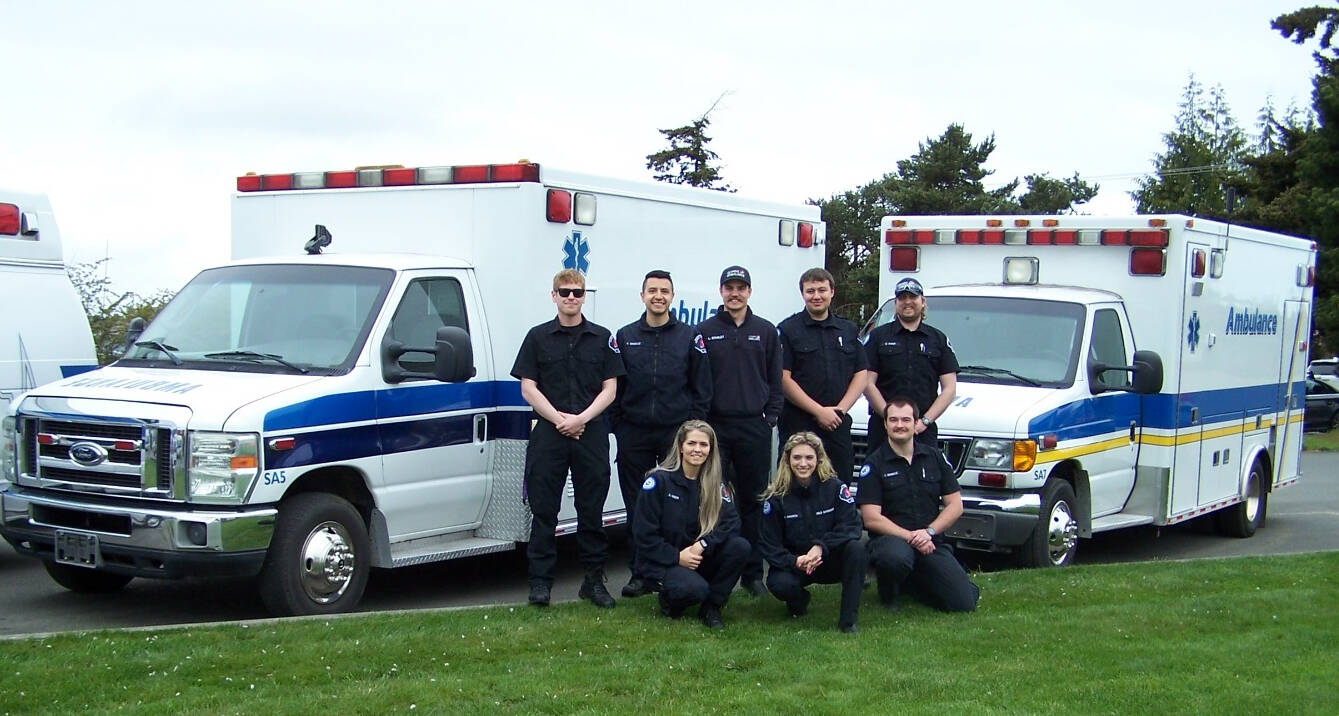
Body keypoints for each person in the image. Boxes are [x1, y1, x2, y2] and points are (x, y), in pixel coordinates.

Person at [511, 269, 625, 608]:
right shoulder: (537, 337)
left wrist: (580, 419)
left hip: (590, 432)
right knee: (544, 511)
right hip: (550, 432)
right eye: (565, 292)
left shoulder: (602, 338)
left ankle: (593, 581)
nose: (571, 297)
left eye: (577, 292)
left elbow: (610, 389)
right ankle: (540, 584)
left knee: (591, 511)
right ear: (554, 296)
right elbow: (528, 388)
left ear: (584, 296)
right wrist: (560, 419)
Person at [611, 269, 712, 598]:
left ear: (672, 296)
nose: (658, 296)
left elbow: (702, 387)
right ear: (642, 296)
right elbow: (615, 387)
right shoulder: (625, 336)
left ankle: (673, 571)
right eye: (652, 290)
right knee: (637, 506)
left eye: (664, 291)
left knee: (676, 507)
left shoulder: (689, 336)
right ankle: (641, 574)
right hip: (634, 433)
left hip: (675, 435)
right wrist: (619, 425)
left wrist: (690, 429)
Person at [695, 265, 783, 597]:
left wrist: (770, 418)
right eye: (729, 287)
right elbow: (697, 379)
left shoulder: (765, 331)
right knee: (712, 499)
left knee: (753, 499)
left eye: (740, 288)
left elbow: (775, 380)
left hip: (753, 427)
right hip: (715, 428)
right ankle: (714, 568)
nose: (735, 293)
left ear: (749, 291)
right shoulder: (704, 330)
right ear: (721, 291)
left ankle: (752, 573)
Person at [856, 397, 979, 612]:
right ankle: (888, 592)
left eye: (906, 420)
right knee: (895, 558)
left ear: (915, 424)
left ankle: (913, 583)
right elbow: (871, 518)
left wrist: (929, 532)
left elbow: (955, 505)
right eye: (893, 420)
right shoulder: (874, 464)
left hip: (930, 540)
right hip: (891, 541)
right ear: (885, 424)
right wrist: (912, 537)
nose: (899, 425)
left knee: (964, 603)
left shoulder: (934, 458)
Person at [633, 420, 751, 629]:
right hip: (665, 561)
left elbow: (732, 523)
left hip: (698, 556)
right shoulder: (659, 481)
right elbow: (644, 534)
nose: (697, 449)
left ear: (711, 449)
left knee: (740, 547)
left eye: (703, 445)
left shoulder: (715, 484)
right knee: (693, 589)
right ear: (680, 447)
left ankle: (712, 607)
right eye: (691, 443)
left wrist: (704, 544)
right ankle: (670, 601)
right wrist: (677, 557)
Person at [758, 432, 866, 633]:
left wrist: (821, 547)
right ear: (787, 460)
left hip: (829, 559)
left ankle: (848, 621)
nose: (803, 463)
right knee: (779, 584)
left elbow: (851, 526)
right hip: (798, 564)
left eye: (809, 457)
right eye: (797, 457)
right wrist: (794, 561)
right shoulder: (776, 498)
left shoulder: (835, 488)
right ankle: (799, 602)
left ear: (818, 459)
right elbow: (768, 544)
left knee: (857, 550)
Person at [777, 268, 868, 482]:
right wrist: (819, 411)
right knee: (796, 486)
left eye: (822, 290)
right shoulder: (788, 330)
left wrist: (839, 411)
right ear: (802, 294)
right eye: (810, 291)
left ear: (832, 292)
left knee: (839, 483)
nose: (816, 296)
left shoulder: (848, 330)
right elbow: (783, 378)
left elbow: (861, 374)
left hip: (837, 423)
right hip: (798, 424)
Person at [863, 277, 958, 447]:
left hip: (923, 429)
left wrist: (925, 421)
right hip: (883, 429)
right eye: (902, 298)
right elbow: (867, 383)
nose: (907, 302)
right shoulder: (877, 337)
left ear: (923, 302)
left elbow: (949, 388)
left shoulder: (938, 339)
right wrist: (891, 419)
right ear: (896, 303)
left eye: (913, 297)